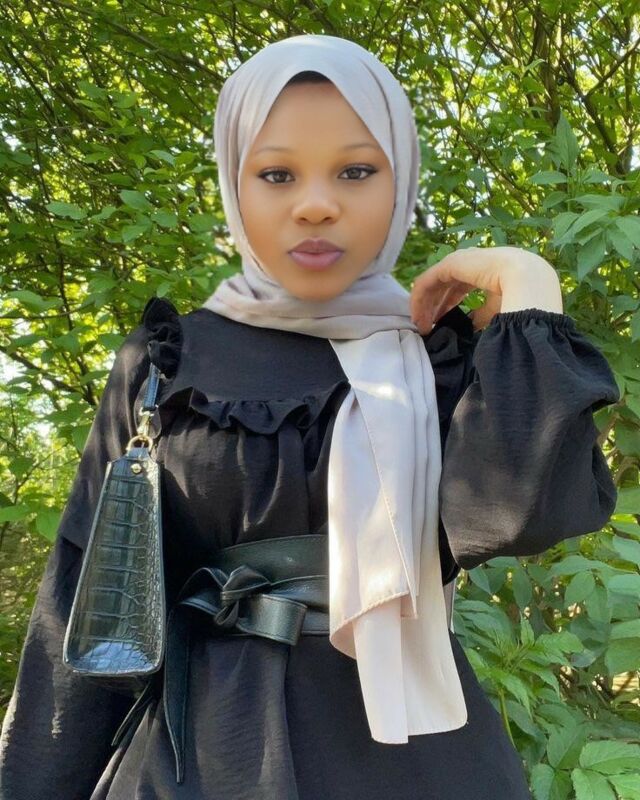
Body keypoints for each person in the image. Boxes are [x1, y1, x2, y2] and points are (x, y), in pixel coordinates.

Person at [0, 34, 619, 800]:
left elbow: (523, 515)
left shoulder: (442, 357)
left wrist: (528, 287)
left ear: (400, 180)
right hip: (207, 760)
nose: (317, 203)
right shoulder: (167, 362)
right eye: (277, 174)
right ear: (235, 184)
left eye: (356, 171)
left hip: (415, 764)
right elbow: (83, 599)